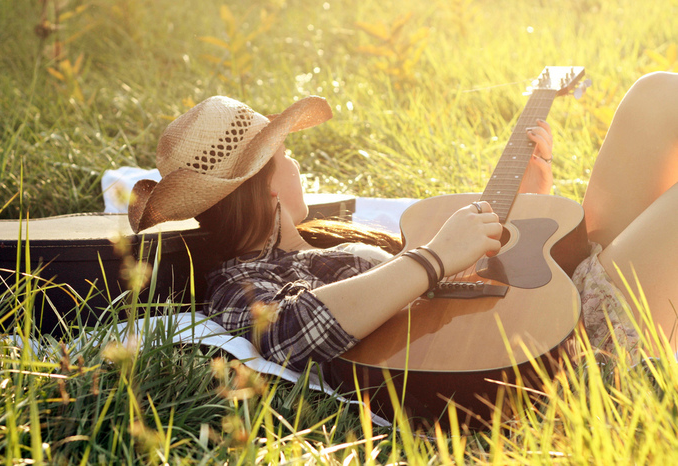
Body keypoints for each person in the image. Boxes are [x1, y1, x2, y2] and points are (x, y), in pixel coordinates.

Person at [128, 72, 678, 371]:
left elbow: (466, 292)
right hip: (566, 349)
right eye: (285, 155)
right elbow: (288, 333)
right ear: (268, 184)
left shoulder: (332, 237)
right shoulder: (236, 281)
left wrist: (534, 204)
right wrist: (434, 256)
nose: (297, 163)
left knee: (657, 94)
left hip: (553, 301)